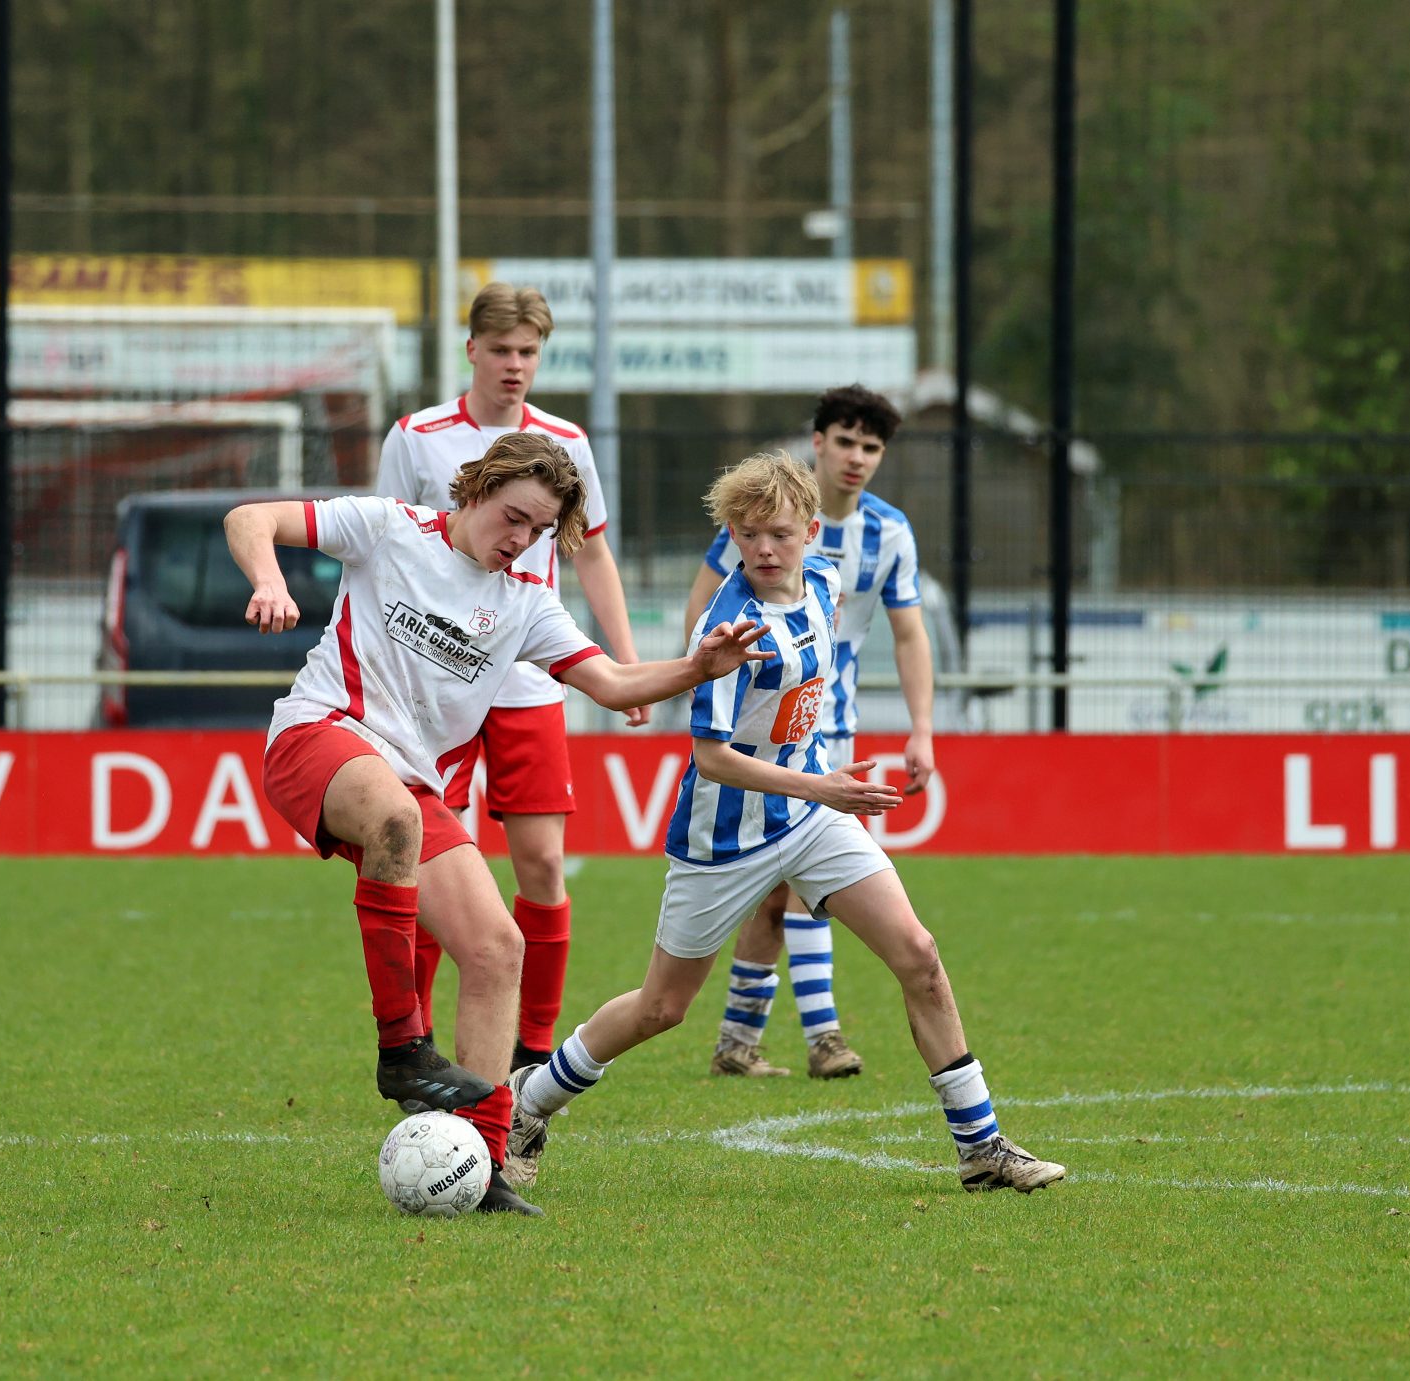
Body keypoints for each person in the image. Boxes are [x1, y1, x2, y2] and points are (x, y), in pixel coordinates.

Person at [231, 432, 767, 1216]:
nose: (520, 540)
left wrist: (695, 668)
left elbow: (615, 684)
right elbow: (250, 516)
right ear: (475, 490)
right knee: (396, 820)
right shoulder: (387, 527)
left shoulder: (523, 603)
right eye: (513, 517)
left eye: (538, 530)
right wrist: (270, 579)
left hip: (409, 787)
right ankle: (401, 1048)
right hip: (318, 735)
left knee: (496, 947)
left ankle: (483, 1164)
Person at [506, 451, 1064, 1196]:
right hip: (726, 837)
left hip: (808, 811)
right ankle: (527, 1102)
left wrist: (819, 784)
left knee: (920, 955)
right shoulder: (730, 628)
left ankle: (981, 1145)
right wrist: (820, 783)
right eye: (746, 533)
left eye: (776, 533)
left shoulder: (827, 581)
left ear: (808, 530)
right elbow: (711, 758)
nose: (762, 549)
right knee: (661, 1008)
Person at [373, 282, 646, 1077]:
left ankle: (532, 1051)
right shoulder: (417, 437)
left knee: (542, 866)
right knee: (425, 854)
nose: (515, 364)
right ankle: (417, 1045)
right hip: (432, 678)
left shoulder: (565, 443)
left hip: (526, 674)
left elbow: (589, 553)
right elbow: (387, 550)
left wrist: (622, 661)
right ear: (472, 350)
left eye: (529, 351)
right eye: (501, 349)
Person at [682, 385, 935, 1082]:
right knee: (777, 886)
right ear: (817, 441)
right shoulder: (764, 517)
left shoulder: (888, 533)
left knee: (811, 880)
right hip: (764, 723)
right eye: (845, 441)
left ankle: (813, 1035)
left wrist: (922, 728)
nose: (857, 458)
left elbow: (909, 633)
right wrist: (709, 687)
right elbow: (703, 609)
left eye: (871, 446)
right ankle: (748, 1038)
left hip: (833, 725)